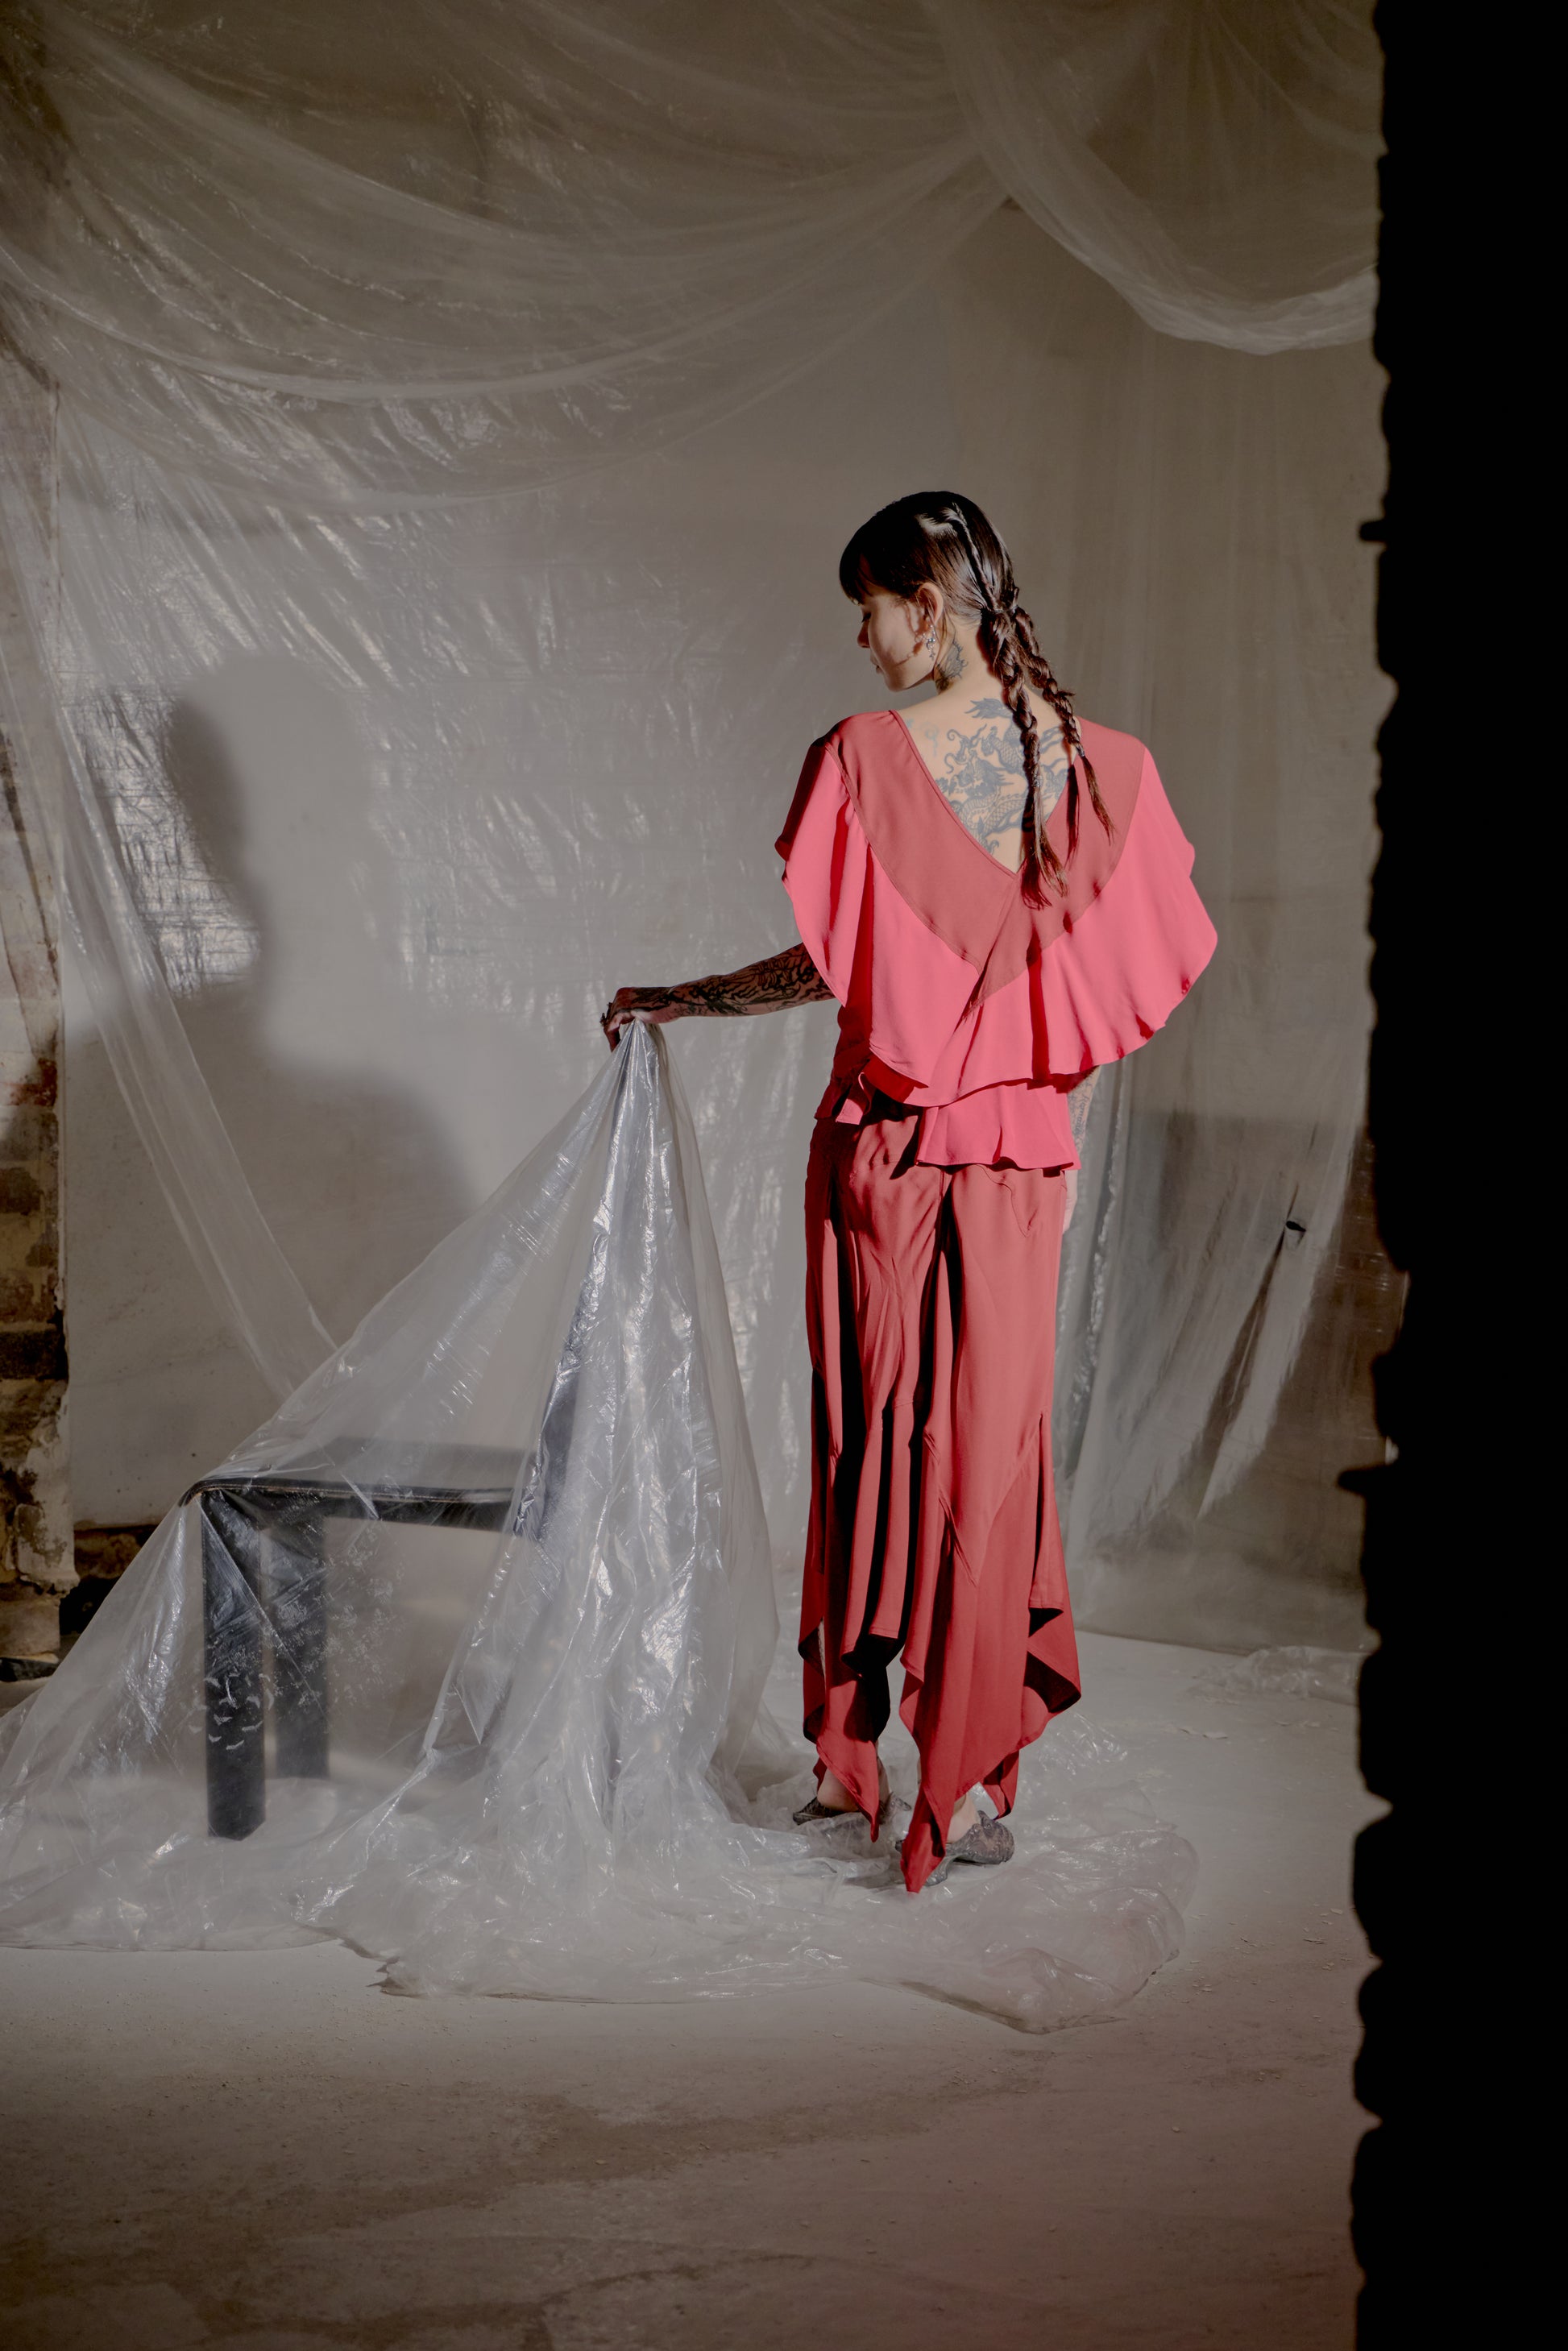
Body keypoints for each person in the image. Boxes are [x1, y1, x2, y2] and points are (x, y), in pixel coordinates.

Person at [604, 492, 1216, 1892]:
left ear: (925, 608)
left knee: (868, 1442)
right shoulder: (1107, 771)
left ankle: (856, 1755)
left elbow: (837, 961)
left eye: (867, 609)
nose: (859, 638)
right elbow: (1113, 981)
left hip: (883, 1147)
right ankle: (975, 1780)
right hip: (1015, 1170)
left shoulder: (867, 757)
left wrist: (686, 998)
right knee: (990, 1466)